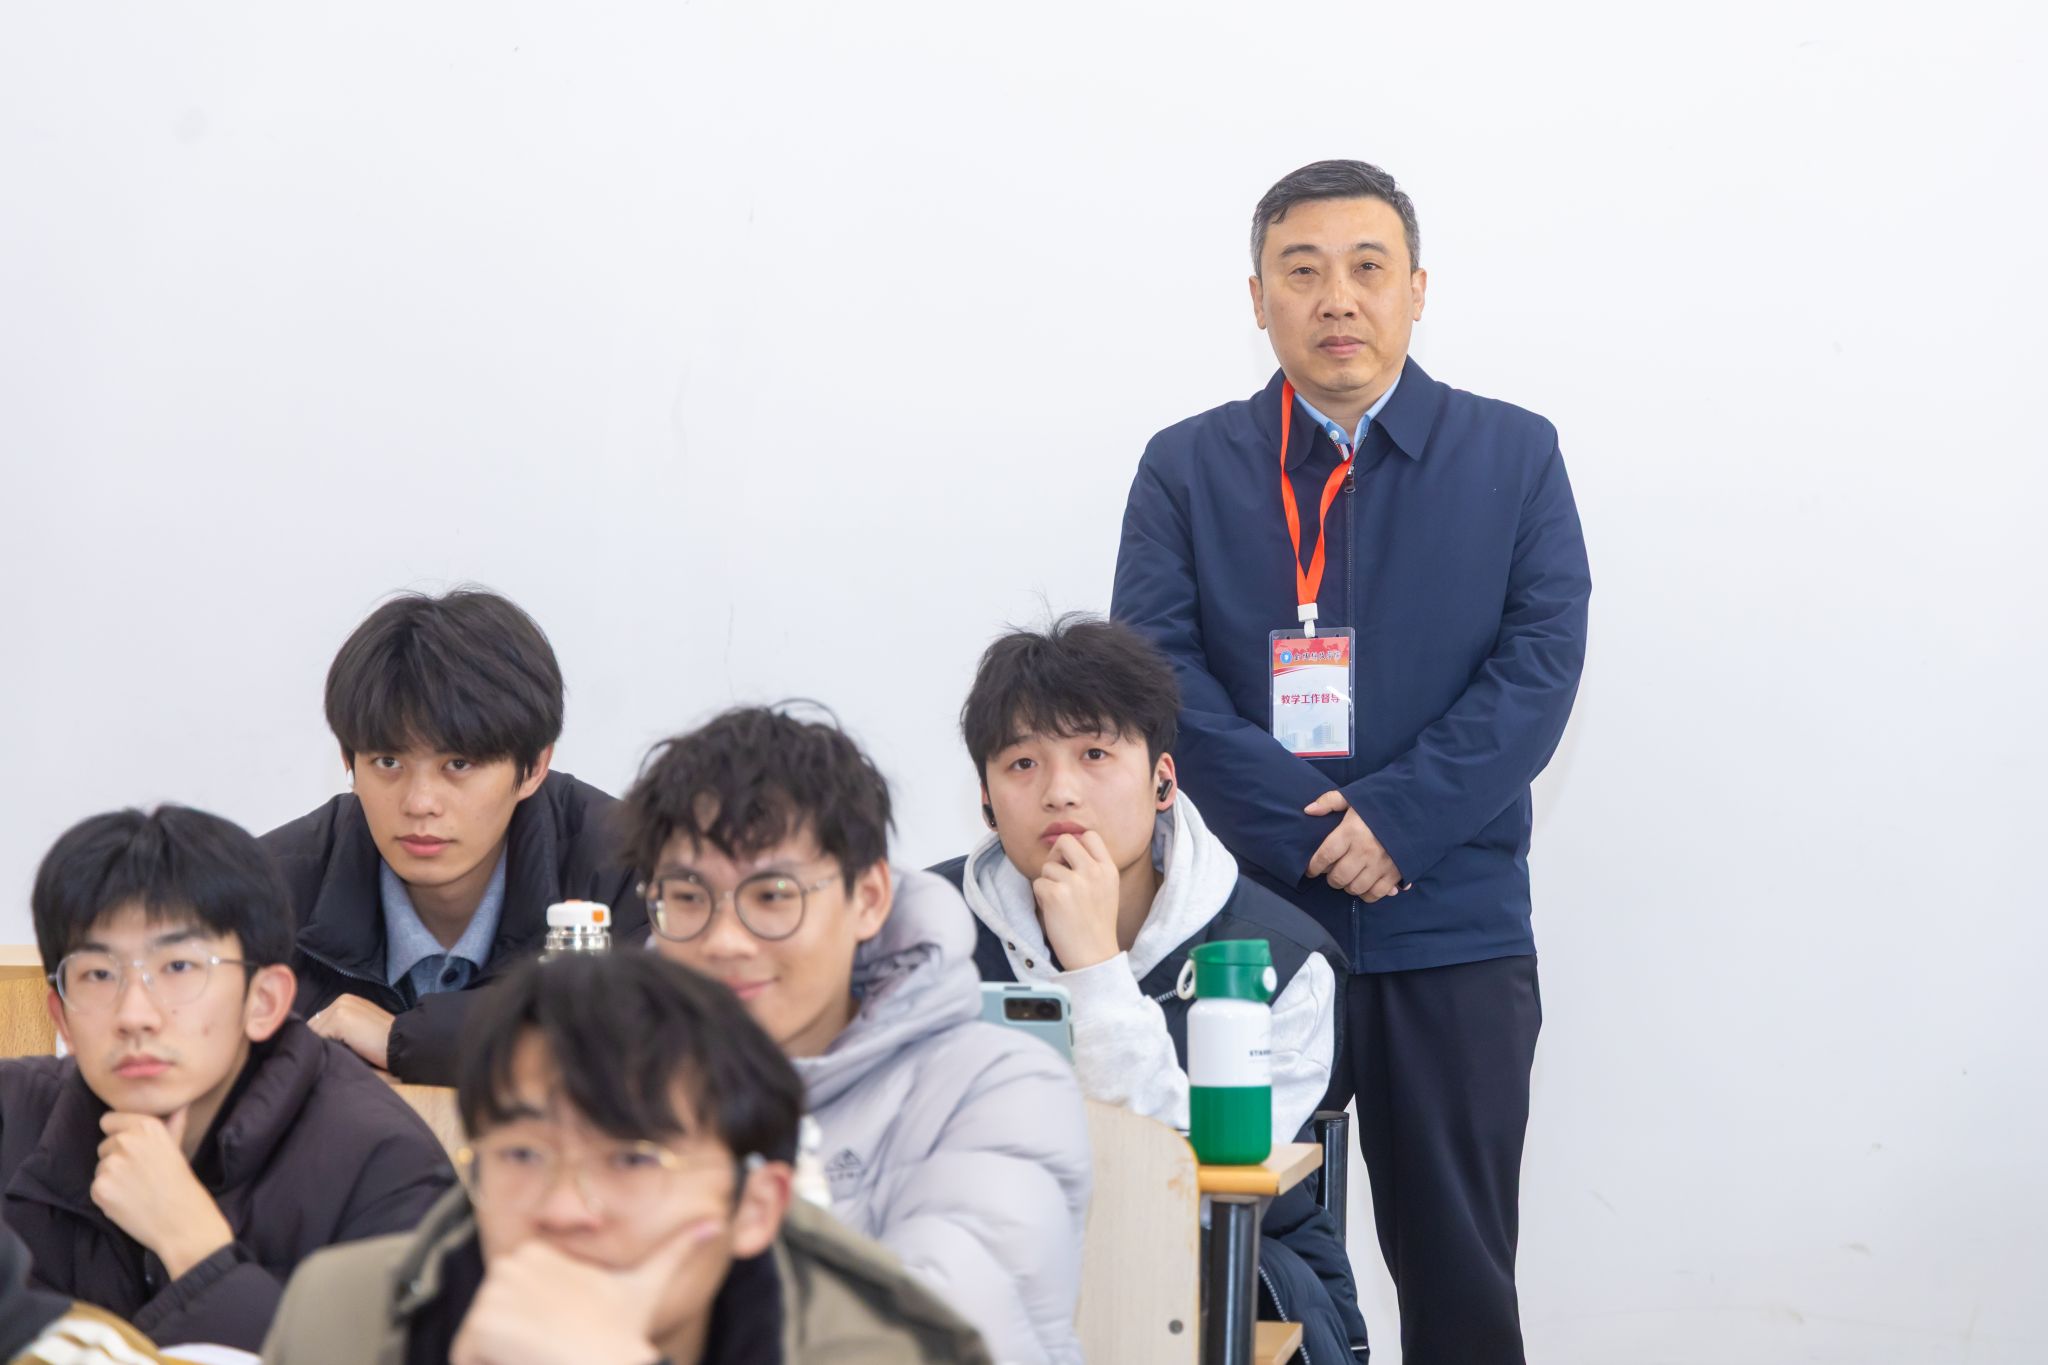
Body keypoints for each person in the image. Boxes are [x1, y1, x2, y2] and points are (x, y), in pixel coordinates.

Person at [1113, 159, 1592, 1364]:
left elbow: (1537, 668)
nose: (1337, 297)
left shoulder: (1512, 454)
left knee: (1460, 1273)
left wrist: (1398, 826)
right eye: (1302, 269)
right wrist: (1313, 834)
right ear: (1256, 297)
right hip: (1252, 935)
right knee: (1235, 1257)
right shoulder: (1186, 467)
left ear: (1415, 289)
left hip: (1453, 932)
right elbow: (1154, 676)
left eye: (1367, 267)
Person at [932, 614, 1366, 1363]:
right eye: (1023, 763)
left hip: (1227, 1273)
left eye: (1095, 753)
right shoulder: (925, 935)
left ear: (1163, 779)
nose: (1060, 792)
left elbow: (1197, 1197)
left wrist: (1095, 971)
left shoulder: (1279, 961)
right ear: (986, 800)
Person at [620, 706, 1090, 1365]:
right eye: (688, 896)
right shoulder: (607, 1081)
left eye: (772, 895)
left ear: (868, 898)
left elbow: (927, 1336)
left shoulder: (999, 1087)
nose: (725, 940)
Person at [262, 952, 992, 1365]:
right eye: (523, 1153)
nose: (564, 1207)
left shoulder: (877, 1352)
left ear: (754, 1207)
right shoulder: (344, 1313)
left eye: (634, 1161)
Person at [0, 806, 454, 1353]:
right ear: (62, 1017)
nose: (134, 1014)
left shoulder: (384, 1164)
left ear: (264, 1001)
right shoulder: (12, 1115)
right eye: (98, 974)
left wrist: (193, 1248)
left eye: (179, 968)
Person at [262, 588, 643, 1084]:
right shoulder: (268, 892)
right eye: (388, 762)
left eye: (459, 764)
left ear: (534, 768)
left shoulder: (628, 868)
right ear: (348, 763)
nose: (419, 802)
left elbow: (653, 1048)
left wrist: (402, 1040)